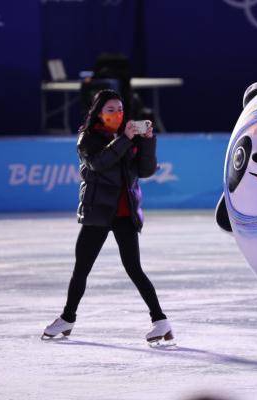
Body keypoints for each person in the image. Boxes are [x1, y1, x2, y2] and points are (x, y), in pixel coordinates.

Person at [42, 89, 173, 345]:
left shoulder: (129, 135)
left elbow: (145, 171)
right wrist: (124, 139)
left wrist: (147, 141)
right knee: (82, 269)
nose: (117, 114)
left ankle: (161, 321)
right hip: (98, 212)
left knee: (134, 269)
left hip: (125, 214)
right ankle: (68, 318)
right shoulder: (87, 137)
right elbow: (99, 163)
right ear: (99, 113)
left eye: (120, 110)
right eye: (111, 110)